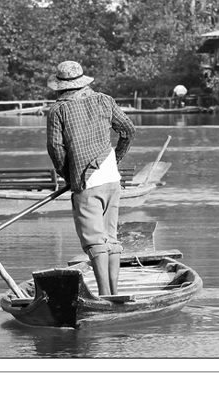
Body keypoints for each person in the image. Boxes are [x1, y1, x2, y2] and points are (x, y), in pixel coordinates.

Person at [46, 60, 135, 297]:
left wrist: (69, 176)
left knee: (95, 242)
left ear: (61, 87)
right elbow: (128, 130)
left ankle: (105, 297)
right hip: (111, 179)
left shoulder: (58, 111)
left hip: (87, 183)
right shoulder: (105, 100)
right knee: (110, 238)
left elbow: (56, 149)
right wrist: (115, 159)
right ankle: (113, 294)